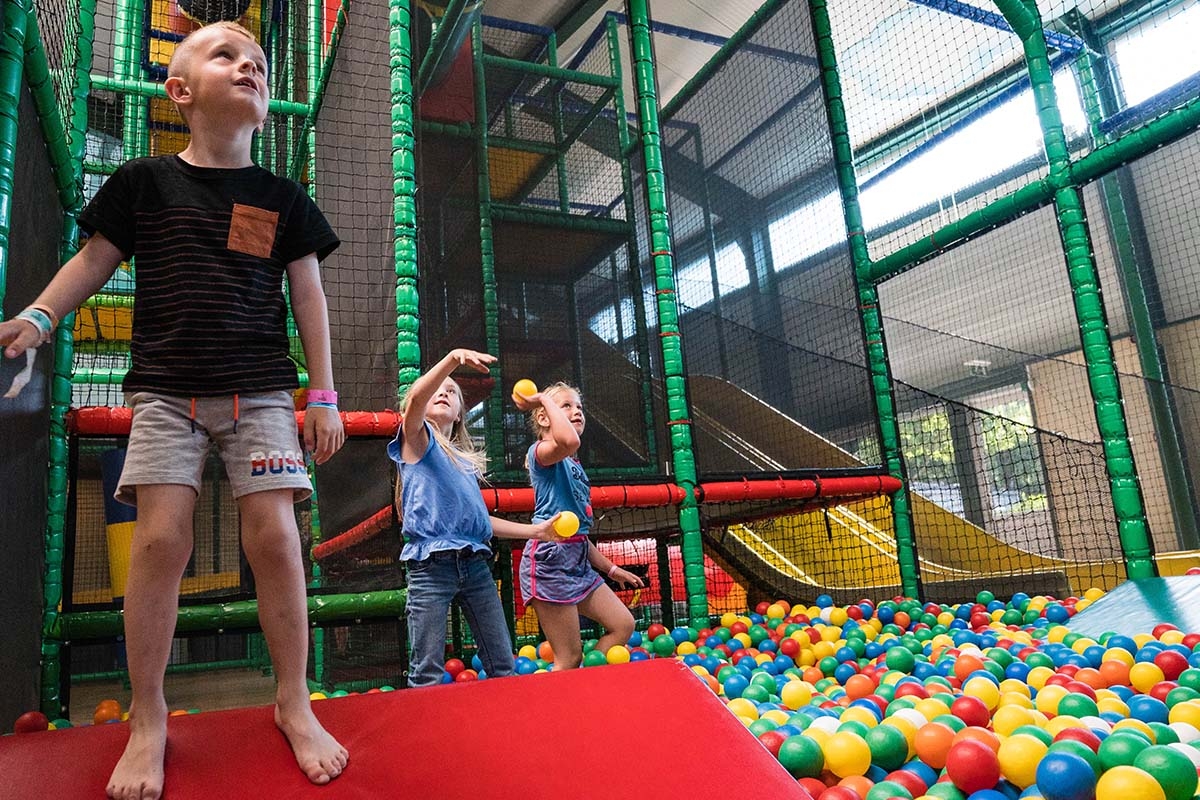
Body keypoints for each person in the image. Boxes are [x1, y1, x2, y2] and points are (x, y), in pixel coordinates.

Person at [0, 22, 348, 800]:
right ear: (180, 90)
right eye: (227, 55)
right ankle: (149, 715)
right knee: (160, 540)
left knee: (276, 539)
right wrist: (40, 318)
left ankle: (293, 700)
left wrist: (322, 394)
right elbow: (93, 259)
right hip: (165, 391)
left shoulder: (280, 197)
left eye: (259, 62)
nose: (250, 66)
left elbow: (308, 295)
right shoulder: (144, 182)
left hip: (260, 390)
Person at [390, 348, 561, 688]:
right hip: (431, 568)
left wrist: (536, 531)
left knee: (503, 662)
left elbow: (482, 521)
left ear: (459, 415)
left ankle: (505, 718)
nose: (443, 393)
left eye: (452, 393)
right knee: (426, 671)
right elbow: (417, 400)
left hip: (474, 566)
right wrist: (453, 360)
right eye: (438, 390)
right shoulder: (417, 442)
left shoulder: (463, 462)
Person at [514, 382, 644, 670]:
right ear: (544, 418)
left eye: (579, 407)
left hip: (578, 561)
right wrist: (543, 399)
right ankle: (566, 689)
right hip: (549, 562)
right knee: (569, 658)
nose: (577, 412)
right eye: (566, 406)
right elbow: (569, 441)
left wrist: (611, 569)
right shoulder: (542, 454)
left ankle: (585, 680)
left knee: (623, 624)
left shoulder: (574, 465)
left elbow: (579, 537)